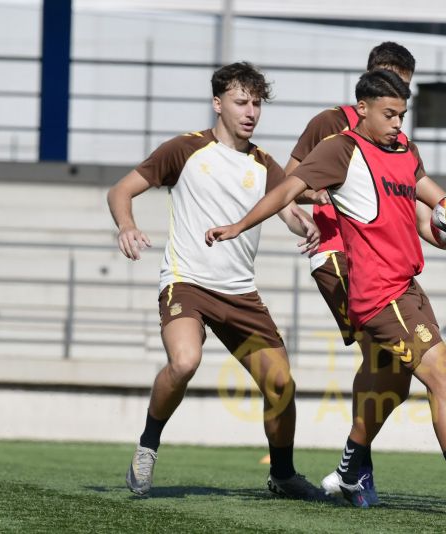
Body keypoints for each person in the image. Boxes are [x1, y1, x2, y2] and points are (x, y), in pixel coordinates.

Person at [206, 70, 446, 515]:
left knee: (392, 386)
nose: (398, 123)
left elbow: (443, 209)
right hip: (381, 295)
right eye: (389, 114)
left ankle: (349, 469)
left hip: (409, 287)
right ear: (362, 108)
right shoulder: (341, 150)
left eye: (402, 114)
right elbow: (285, 188)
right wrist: (238, 226)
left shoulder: (405, 151)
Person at [107, 61, 326, 499]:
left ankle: (282, 475)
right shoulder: (184, 149)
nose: (250, 111)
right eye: (241, 101)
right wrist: (126, 225)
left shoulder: (266, 165)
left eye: (257, 103)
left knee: (281, 385)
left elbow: (289, 213)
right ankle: (148, 445)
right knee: (185, 361)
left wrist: (306, 224)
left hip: (240, 294)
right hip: (187, 282)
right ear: (217, 103)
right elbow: (120, 190)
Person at [283, 42, 416, 504]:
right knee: (380, 356)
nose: (395, 98)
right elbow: (290, 181)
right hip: (337, 252)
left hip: (382, 258)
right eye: (387, 81)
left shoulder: (397, 138)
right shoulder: (329, 123)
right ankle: (358, 470)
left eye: (403, 88)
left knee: (393, 368)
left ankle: (354, 463)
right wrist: (310, 201)